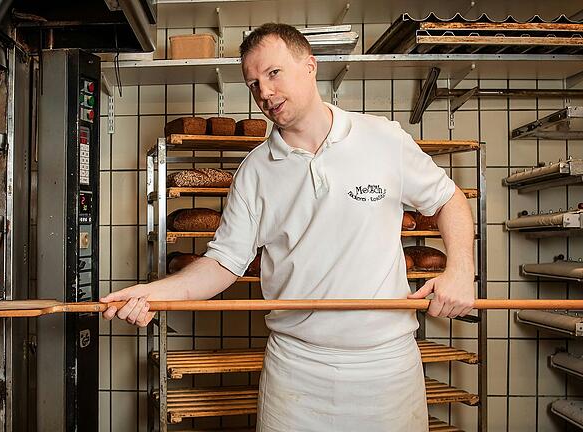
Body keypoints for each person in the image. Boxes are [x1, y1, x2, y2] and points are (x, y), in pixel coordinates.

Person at [101, 22, 475, 432]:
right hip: (296, 368)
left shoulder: (382, 138)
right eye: (253, 83)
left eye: (273, 73)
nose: (264, 92)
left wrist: (458, 271)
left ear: (310, 66)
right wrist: (153, 293)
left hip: (386, 365)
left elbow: (448, 199)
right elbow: (223, 264)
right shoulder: (255, 172)